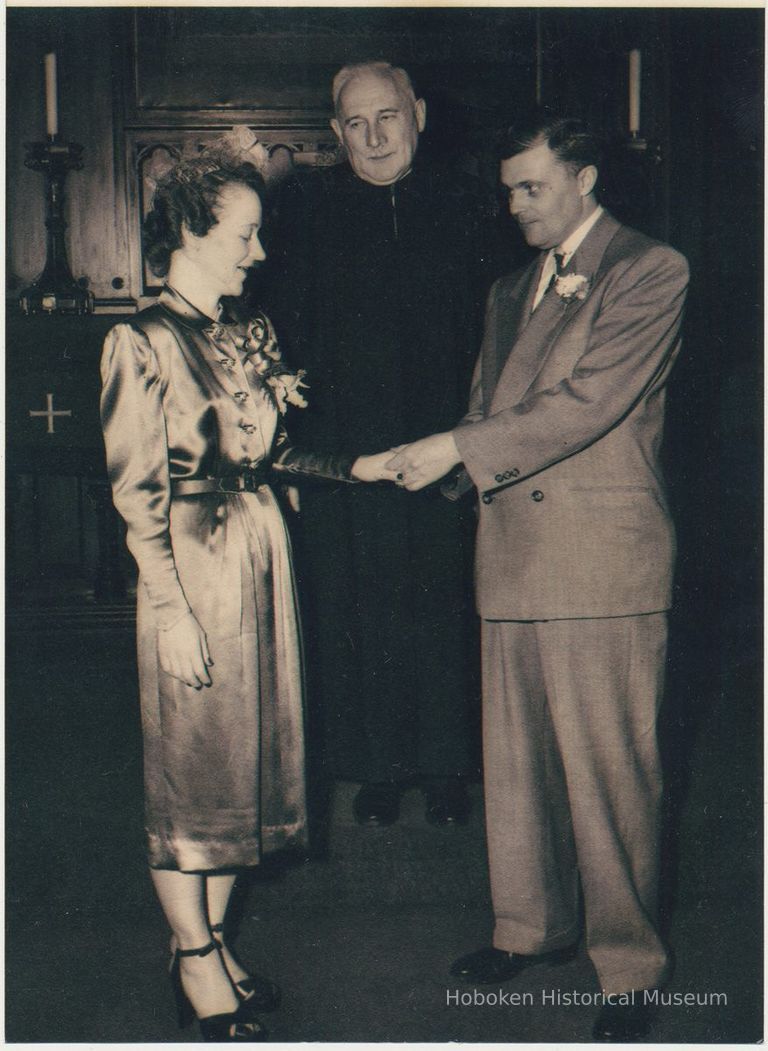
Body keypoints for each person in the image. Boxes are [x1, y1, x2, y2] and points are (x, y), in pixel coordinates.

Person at [388, 114, 689, 1041]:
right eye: (509, 189)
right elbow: (489, 408)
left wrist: (453, 445)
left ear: (587, 177)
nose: (515, 205)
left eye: (533, 187)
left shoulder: (649, 269)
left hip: (600, 562)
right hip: (511, 554)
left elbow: (586, 405)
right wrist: (439, 467)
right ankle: (528, 925)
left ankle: (629, 968)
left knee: (607, 773)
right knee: (516, 766)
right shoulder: (509, 287)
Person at [99, 133, 396, 1042]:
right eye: (244, 236)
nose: (259, 255)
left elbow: (270, 458)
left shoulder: (244, 332)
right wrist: (170, 610)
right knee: (189, 772)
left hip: (259, 557)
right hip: (189, 564)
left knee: (242, 765)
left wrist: (362, 463)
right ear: (189, 231)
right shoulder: (139, 340)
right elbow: (135, 490)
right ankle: (191, 956)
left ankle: (215, 935)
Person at [261, 61, 504, 827]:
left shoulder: (471, 205)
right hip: (347, 452)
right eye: (355, 124)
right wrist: (294, 451)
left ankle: (446, 764)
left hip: (447, 442)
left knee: (444, 600)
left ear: (419, 115)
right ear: (335, 134)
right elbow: (278, 333)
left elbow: (499, 335)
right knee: (354, 605)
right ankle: (375, 766)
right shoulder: (300, 210)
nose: (373, 137)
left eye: (388, 118)